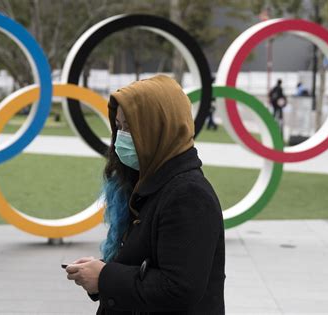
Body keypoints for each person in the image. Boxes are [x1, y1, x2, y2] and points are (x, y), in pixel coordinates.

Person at [65, 75, 226, 314]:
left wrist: (105, 277)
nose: (120, 137)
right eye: (118, 127)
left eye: (130, 127)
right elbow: (144, 263)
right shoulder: (148, 181)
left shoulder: (188, 195)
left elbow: (179, 288)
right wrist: (98, 273)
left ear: (160, 127)